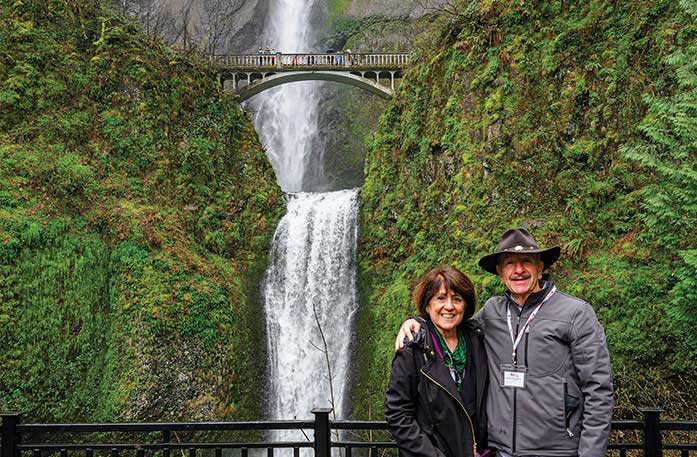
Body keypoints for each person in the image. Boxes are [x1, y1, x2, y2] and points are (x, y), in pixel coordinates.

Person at [395, 228, 613, 457]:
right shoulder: (492, 312)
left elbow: (598, 390)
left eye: (526, 261)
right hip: (500, 451)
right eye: (510, 263)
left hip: (556, 450)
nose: (518, 270)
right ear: (500, 272)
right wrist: (417, 321)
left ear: (540, 268)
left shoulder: (576, 314)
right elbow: (451, 322)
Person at [385, 266, 489, 457]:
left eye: (456, 299)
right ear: (427, 305)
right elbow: (397, 413)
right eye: (440, 298)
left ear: (465, 306)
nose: (449, 306)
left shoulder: (478, 341)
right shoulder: (413, 349)